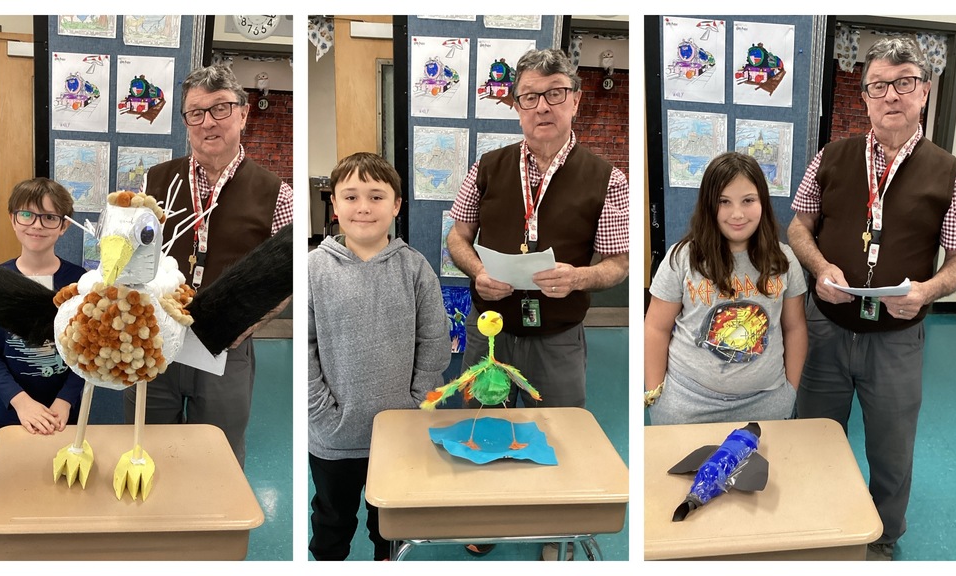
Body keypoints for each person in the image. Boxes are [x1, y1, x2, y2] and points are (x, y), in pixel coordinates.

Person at [787, 36, 956, 561]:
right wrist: (819, 267)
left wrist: (928, 291)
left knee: (891, 450)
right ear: (864, 96)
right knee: (816, 435)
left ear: (924, 93)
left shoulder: (953, 172)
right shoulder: (833, 156)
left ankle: (882, 539)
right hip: (826, 327)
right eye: (879, 86)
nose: (892, 95)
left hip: (897, 339)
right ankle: (819, 523)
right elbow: (799, 227)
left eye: (904, 83)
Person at [446, 48, 629, 560]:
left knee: (561, 436)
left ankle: (555, 527)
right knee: (484, 429)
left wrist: (581, 278)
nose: (542, 106)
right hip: (491, 334)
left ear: (575, 101)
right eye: (530, 96)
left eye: (555, 94)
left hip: (558, 339)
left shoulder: (606, 177)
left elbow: (619, 263)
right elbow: (457, 238)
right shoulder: (487, 167)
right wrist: (477, 271)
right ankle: (487, 515)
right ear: (517, 104)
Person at [124, 65, 294, 467]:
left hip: (225, 349)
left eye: (220, 109)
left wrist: (252, 324)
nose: (208, 123)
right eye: (196, 113)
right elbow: (129, 254)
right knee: (144, 451)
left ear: (243, 113)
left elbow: (288, 279)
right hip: (153, 344)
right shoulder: (154, 182)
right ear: (186, 122)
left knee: (216, 458)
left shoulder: (277, 194)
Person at [307, 152, 450, 561]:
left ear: (396, 205)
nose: (363, 207)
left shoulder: (415, 269)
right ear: (333, 204)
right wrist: (323, 414)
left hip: (399, 432)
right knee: (332, 517)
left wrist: (414, 406)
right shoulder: (314, 268)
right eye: (350, 197)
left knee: (387, 521)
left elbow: (434, 343)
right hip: (333, 436)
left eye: (376, 196)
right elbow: (307, 348)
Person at [644, 152, 807, 424]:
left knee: (762, 467)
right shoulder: (683, 257)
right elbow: (655, 328)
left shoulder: (784, 260)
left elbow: (795, 328)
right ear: (709, 205)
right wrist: (654, 392)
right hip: (687, 402)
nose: (737, 214)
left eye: (748, 200)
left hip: (766, 402)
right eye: (724, 202)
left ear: (762, 203)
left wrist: (790, 391)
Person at [0, 178, 86, 442]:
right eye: (26, 215)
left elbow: (87, 352)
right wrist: (21, 402)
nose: (37, 224)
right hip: (12, 414)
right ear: (13, 220)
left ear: (64, 226)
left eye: (49, 217)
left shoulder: (80, 282)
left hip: (63, 413)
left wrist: (66, 400)